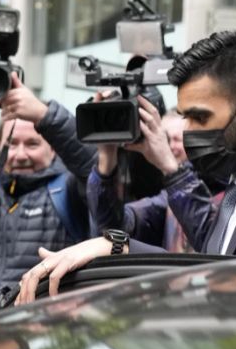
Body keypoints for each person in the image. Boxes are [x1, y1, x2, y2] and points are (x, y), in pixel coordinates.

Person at [16, 31, 236, 303]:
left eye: (200, 116)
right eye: (183, 116)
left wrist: (120, 248)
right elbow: (211, 253)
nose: (188, 130)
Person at [0, 60, 97, 309]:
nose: (20, 154)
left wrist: (46, 115)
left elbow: (95, 167)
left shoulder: (70, 190)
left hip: (39, 331)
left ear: (52, 148)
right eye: (11, 144)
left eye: (32, 144)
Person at [88, 108, 208, 253]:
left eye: (177, 139)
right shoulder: (166, 194)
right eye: (164, 139)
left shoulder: (220, 188)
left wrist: (171, 170)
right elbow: (115, 228)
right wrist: (107, 158)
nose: (169, 147)